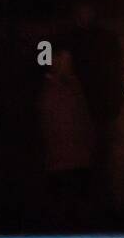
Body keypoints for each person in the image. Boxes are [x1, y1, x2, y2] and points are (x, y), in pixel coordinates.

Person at [66, 0, 124, 213]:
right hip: (80, 104)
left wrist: (117, 98)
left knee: (101, 151)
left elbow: (118, 71)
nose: (84, 14)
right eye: (81, 10)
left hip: (101, 104)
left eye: (87, 10)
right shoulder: (71, 39)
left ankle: (100, 198)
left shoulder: (104, 38)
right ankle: (88, 198)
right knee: (83, 152)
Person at [39, 44, 96, 224]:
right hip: (63, 159)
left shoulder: (71, 86)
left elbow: (82, 117)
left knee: (74, 205)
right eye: (64, 60)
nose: (67, 63)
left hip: (73, 157)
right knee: (65, 206)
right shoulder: (54, 89)